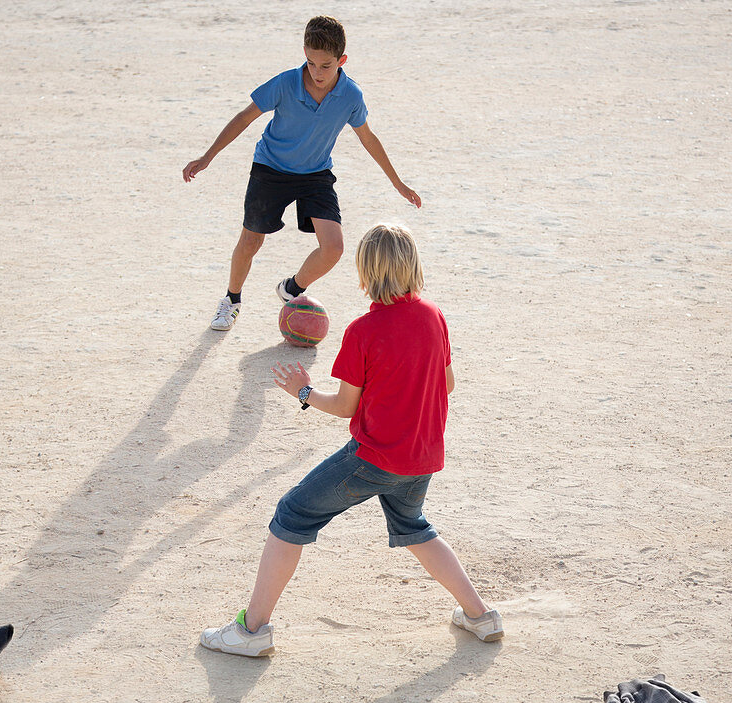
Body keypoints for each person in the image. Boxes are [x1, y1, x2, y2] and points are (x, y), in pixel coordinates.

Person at [199, 224, 502, 657]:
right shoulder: (435, 316)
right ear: (413, 265)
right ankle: (481, 615)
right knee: (415, 529)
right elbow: (447, 384)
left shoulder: (363, 330)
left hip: (372, 459)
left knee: (291, 515)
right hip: (422, 459)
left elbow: (344, 406)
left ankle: (251, 631)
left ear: (365, 273)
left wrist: (302, 392)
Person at [182, 16, 421, 332]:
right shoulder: (285, 83)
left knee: (334, 248)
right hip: (270, 168)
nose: (317, 73)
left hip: (315, 173)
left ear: (342, 61)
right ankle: (232, 300)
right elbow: (244, 118)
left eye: (326, 65)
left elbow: (368, 137)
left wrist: (398, 182)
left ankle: (291, 289)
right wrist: (208, 156)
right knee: (251, 240)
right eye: (310, 63)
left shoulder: (351, 95)